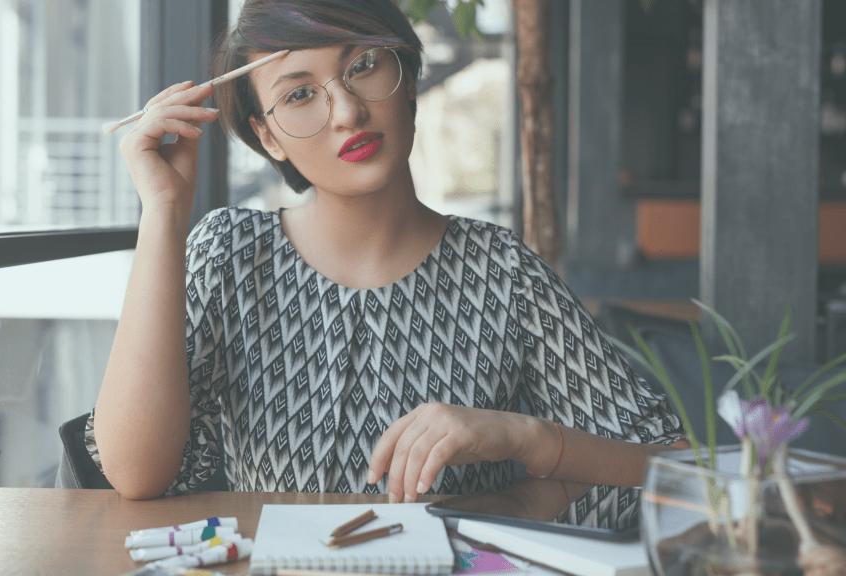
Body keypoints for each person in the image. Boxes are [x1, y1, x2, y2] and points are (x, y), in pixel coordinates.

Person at [88, 0, 690, 501]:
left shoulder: (502, 269)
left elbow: (677, 465)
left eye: (364, 65)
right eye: (299, 96)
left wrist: (522, 437)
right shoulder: (229, 252)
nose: (347, 111)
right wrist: (164, 212)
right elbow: (136, 475)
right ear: (267, 137)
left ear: (406, 75)